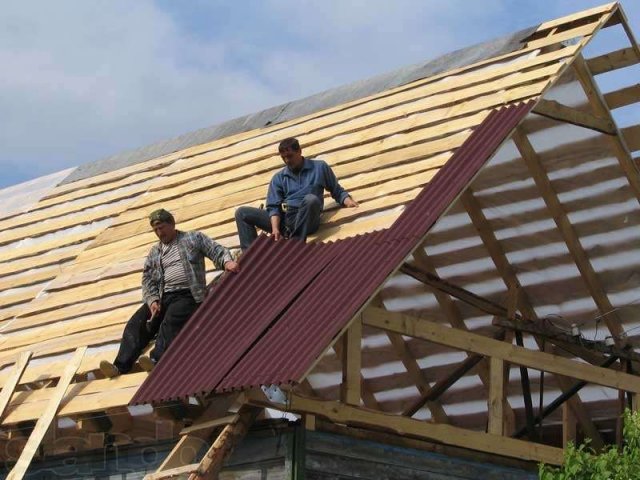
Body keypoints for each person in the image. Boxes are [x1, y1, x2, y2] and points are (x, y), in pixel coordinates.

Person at [100, 208, 239, 378]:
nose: (160, 233)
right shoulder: (155, 252)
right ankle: (119, 366)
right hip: (163, 296)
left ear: (172, 224)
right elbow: (147, 279)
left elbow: (216, 250)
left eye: (162, 227)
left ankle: (156, 360)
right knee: (136, 323)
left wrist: (227, 262)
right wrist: (152, 301)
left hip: (188, 294)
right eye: (156, 230)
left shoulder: (192, 239)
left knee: (170, 321)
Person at [235, 137, 358, 251]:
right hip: (286, 221)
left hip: (308, 220)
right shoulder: (279, 178)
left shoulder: (319, 168)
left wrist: (348, 201)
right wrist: (275, 229)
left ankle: (296, 244)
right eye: (284, 158)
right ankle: (249, 255)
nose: (287, 160)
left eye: (290, 156)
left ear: (299, 151)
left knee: (311, 200)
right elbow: (274, 207)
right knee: (242, 213)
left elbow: (336, 190)